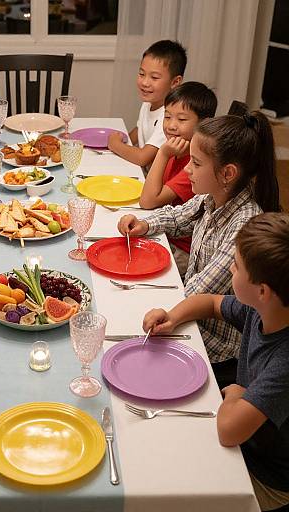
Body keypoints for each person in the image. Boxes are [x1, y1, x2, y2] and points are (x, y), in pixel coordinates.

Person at [118, 111, 281, 387]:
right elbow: (177, 217)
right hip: (187, 321)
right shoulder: (211, 196)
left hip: (213, 351)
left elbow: (198, 291)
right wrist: (143, 224)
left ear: (227, 173)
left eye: (195, 163)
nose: (187, 170)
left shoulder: (244, 227)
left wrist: (142, 308)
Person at [142, 213, 289, 511]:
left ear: (262, 291)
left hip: (268, 477)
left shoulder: (284, 360)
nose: (230, 269)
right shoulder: (261, 310)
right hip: (247, 437)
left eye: (236, 265)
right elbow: (209, 303)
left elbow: (228, 430)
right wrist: (172, 317)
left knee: (164, 484)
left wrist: (237, 394)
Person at [139, 81, 217, 276]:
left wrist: (163, 153)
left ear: (204, 124)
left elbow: (148, 201)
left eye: (181, 119)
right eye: (167, 117)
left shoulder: (193, 163)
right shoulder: (178, 147)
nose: (171, 125)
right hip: (164, 232)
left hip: (182, 249)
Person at [108, 39, 187, 169]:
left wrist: (115, 144)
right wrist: (123, 139)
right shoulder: (150, 102)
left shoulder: (169, 118)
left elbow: (142, 158)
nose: (145, 82)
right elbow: (140, 130)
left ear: (175, 82)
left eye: (154, 77)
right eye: (141, 74)